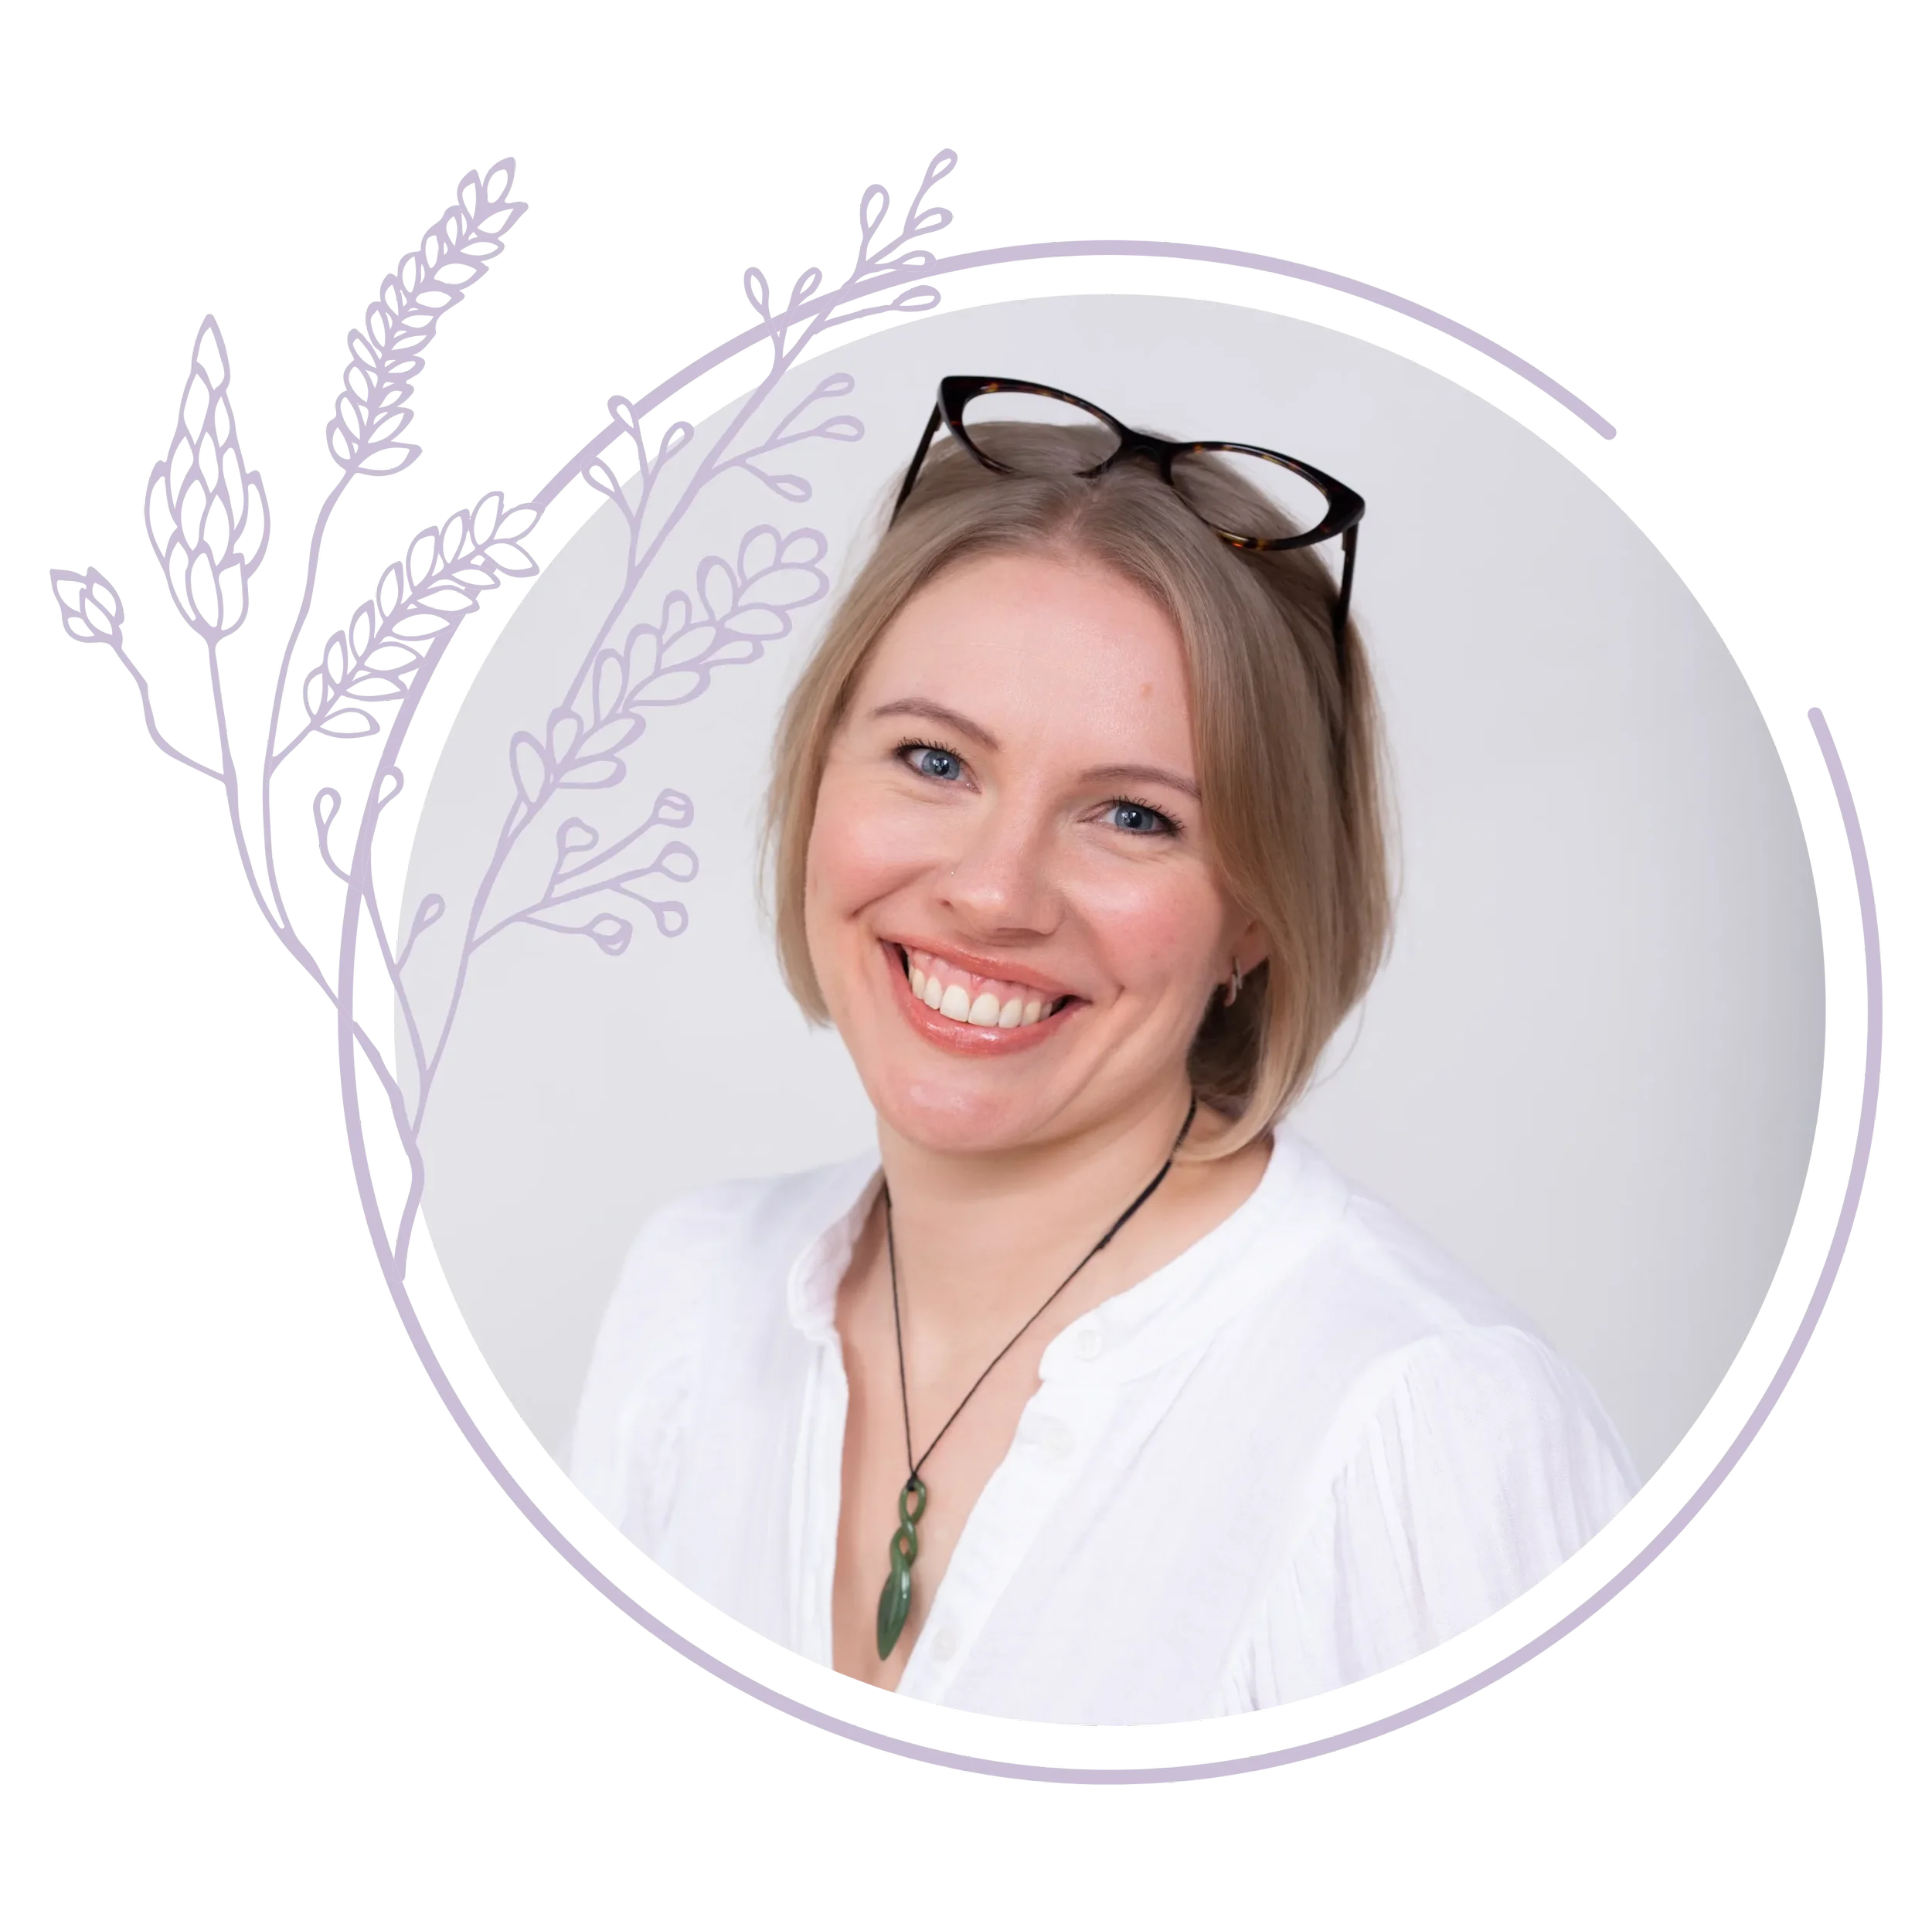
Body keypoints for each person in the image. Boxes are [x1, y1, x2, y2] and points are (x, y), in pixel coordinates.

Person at [569, 376, 1636, 1727]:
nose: (995, 892)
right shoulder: (688, 1298)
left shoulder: (1427, 1434)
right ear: (820, 774)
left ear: (1260, 913)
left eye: (1132, 816)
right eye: (935, 762)